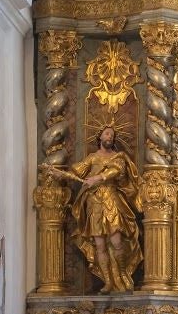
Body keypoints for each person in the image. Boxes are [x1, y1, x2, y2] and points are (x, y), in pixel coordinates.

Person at [60, 126, 143, 293]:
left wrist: (98, 177)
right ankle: (108, 281)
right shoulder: (92, 158)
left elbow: (117, 170)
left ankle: (121, 273)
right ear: (100, 137)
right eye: (107, 134)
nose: (109, 137)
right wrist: (61, 174)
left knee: (117, 241)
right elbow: (76, 170)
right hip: (94, 203)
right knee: (100, 245)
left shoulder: (118, 156)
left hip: (112, 200)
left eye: (112, 135)